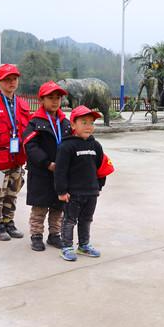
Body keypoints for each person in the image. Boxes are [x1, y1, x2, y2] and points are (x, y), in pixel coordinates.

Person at [54, 106, 111, 261]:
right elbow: (60, 171)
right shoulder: (66, 146)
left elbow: (101, 168)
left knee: (86, 219)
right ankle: (66, 246)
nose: (88, 126)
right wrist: (61, 191)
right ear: (73, 125)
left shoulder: (96, 145)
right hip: (73, 193)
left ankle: (84, 245)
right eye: (84, 122)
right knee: (69, 220)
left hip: (91, 192)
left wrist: (98, 186)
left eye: (91, 123)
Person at [0, 64, 30, 241]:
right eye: (7, 79)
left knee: (12, 192)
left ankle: (8, 221)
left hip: (17, 158)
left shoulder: (23, 105)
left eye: (14, 79)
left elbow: (28, 133)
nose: (11, 82)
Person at [23, 81, 71, 252]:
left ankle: (54, 235)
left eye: (58, 98)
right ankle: (36, 236)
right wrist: (47, 163)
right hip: (41, 173)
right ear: (41, 100)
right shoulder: (35, 122)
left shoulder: (65, 123)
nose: (55, 101)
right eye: (50, 98)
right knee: (40, 207)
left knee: (58, 207)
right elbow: (30, 146)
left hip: (60, 174)